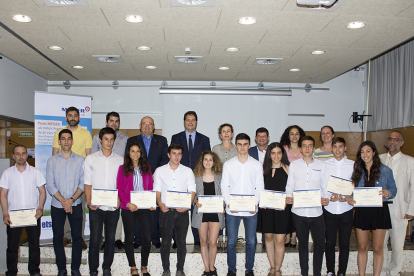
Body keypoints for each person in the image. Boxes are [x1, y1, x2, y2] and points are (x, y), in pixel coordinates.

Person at [347, 141, 397, 276]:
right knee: (362, 247)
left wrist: (388, 193)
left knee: (377, 248)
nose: (365, 154)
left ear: (374, 152)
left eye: (368, 151)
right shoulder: (357, 170)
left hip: (380, 211)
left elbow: (393, 189)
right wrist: (350, 198)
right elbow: (352, 191)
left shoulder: (386, 170)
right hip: (362, 211)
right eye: (362, 152)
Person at [285, 136, 330, 276]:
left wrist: (326, 198)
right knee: (303, 245)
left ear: (313, 148)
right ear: (301, 148)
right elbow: (290, 185)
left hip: (317, 213)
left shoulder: (322, 165)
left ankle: (317, 273)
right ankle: (304, 273)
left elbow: (326, 186)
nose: (307, 148)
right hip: (299, 212)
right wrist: (289, 196)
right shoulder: (294, 165)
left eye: (310, 145)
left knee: (319, 245)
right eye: (304, 146)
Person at [221, 133, 264, 276]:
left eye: (245, 144)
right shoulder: (228, 164)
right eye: (239, 144)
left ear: (249, 146)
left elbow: (260, 186)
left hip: (251, 210)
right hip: (232, 210)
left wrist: (255, 204)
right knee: (231, 241)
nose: (242, 147)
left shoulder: (257, 165)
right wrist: (229, 204)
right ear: (235, 146)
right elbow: (224, 186)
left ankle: (249, 269)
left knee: (251, 242)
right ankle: (231, 270)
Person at [0, 145, 46, 276]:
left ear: (27, 155)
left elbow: (42, 192)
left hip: (33, 214)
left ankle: (34, 271)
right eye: (18, 154)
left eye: (23, 153)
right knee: (12, 247)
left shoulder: (36, 172)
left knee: (34, 245)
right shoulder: (7, 173)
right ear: (13, 156)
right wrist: (4, 212)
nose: (21, 156)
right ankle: (11, 272)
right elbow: (2, 194)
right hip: (13, 215)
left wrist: (40, 207)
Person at [84, 127, 124, 276]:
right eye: (106, 139)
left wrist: (119, 199)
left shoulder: (120, 160)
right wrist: (89, 201)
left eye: (111, 139)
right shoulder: (91, 159)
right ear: (100, 140)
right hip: (96, 206)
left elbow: (121, 184)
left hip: (113, 207)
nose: (109, 142)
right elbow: (87, 183)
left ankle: (107, 267)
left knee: (110, 239)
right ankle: (93, 270)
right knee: (94, 240)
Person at [52, 106, 92, 250]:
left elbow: (88, 156)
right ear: (66, 118)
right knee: (63, 206)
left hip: (78, 176)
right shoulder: (59, 133)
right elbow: (54, 154)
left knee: (78, 209)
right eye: (70, 115)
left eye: (75, 115)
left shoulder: (85, 133)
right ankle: (66, 237)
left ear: (79, 118)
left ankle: (78, 237)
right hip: (62, 175)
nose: (73, 118)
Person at [46, 129, 84, 276]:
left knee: (76, 238)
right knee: (57, 237)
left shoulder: (81, 160)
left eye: (69, 138)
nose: (66, 141)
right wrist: (64, 201)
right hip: (57, 205)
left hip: (76, 203)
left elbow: (83, 182)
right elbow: (50, 185)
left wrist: (72, 200)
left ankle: (75, 269)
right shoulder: (52, 161)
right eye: (63, 139)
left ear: (72, 141)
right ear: (59, 141)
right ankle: (61, 269)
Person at [154, 143, 196, 276]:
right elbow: (157, 189)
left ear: (182, 156)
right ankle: (166, 269)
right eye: (174, 153)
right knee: (165, 242)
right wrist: (160, 203)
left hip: (182, 213)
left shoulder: (188, 171)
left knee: (181, 242)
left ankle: (180, 269)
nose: (176, 156)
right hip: (166, 212)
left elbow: (192, 191)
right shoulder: (160, 170)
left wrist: (187, 206)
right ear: (168, 154)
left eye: (179, 153)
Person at [127, 116, 169, 249]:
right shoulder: (132, 140)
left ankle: (155, 237)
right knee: (138, 209)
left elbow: (164, 160)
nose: (147, 126)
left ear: (153, 126)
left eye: (149, 124)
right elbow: (128, 159)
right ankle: (138, 239)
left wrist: (154, 176)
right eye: (144, 124)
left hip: (155, 181)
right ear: (140, 126)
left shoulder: (161, 140)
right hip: (137, 179)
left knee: (153, 210)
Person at [171, 111, 211, 246]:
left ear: (196, 122)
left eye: (193, 120)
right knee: (177, 210)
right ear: (184, 122)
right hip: (180, 179)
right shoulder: (175, 137)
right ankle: (177, 241)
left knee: (197, 210)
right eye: (188, 120)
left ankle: (198, 240)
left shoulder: (204, 139)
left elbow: (207, 160)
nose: (190, 122)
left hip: (198, 180)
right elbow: (172, 158)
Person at [117, 141, 155, 276]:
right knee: (129, 238)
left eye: (137, 151)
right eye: (132, 151)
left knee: (146, 238)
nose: (135, 154)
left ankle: (144, 265)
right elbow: (120, 190)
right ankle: (133, 266)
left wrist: (151, 201)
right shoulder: (122, 168)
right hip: (128, 208)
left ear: (141, 153)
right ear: (128, 153)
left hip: (144, 207)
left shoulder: (147, 168)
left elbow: (150, 187)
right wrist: (128, 203)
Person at [92, 112, 128, 250]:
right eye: (111, 121)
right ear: (106, 122)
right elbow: (94, 157)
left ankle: (117, 238)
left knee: (115, 208)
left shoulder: (124, 138)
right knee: (102, 208)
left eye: (116, 121)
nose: (114, 123)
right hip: (101, 179)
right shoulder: (97, 137)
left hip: (117, 177)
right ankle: (105, 239)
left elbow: (126, 157)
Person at [380, 131, 414, 276]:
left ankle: (394, 272)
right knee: (380, 244)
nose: (392, 141)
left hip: (400, 208)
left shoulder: (410, 161)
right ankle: (381, 270)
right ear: (387, 141)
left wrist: (412, 209)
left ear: (402, 142)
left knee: (398, 246)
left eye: (396, 139)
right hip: (380, 208)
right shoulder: (379, 159)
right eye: (390, 139)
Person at [321, 137, 354, 276]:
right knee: (329, 243)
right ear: (331, 148)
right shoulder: (325, 165)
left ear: (345, 148)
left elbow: (356, 184)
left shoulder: (353, 165)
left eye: (340, 146)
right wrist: (329, 196)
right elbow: (323, 185)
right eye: (335, 147)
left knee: (344, 243)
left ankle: (342, 272)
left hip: (346, 208)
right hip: (330, 209)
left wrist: (349, 196)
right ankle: (330, 271)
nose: (338, 149)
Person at [257, 142, 290, 276]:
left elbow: (292, 188)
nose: (276, 156)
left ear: (283, 154)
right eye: (273, 153)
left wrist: (289, 198)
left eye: (279, 153)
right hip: (266, 209)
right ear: (269, 155)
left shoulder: (288, 168)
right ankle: (272, 267)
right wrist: (260, 200)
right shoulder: (263, 169)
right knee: (268, 238)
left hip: (282, 209)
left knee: (280, 240)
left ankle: (278, 269)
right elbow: (258, 188)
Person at [192, 151, 225, 276]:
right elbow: (192, 193)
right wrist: (195, 201)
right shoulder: (196, 176)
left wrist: (223, 206)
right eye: (205, 159)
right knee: (203, 241)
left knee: (212, 242)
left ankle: (212, 268)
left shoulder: (219, 176)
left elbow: (224, 193)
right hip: (201, 213)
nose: (208, 162)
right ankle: (206, 269)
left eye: (210, 160)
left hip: (216, 212)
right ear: (202, 161)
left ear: (214, 162)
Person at [279, 125, 306, 248]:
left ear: (300, 135)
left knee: (297, 211)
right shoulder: (283, 149)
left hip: (301, 185)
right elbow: (281, 163)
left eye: (297, 133)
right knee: (287, 211)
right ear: (288, 135)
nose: (294, 136)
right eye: (292, 133)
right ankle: (288, 235)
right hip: (286, 183)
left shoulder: (304, 148)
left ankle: (294, 236)